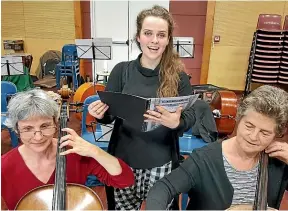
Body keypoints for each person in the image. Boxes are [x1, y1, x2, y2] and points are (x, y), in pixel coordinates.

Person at [88, 5, 196, 210]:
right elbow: (109, 115)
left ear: (168, 39)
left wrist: (177, 122)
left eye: (161, 35)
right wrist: (100, 114)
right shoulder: (122, 71)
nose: (154, 40)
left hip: (162, 162)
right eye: (148, 33)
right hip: (123, 161)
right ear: (138, 37)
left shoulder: (179, 76)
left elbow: (190, 115)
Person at [145, 85, 288, 210]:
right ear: (239, 118)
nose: (254, 136)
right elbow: (163, 188)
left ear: (277, 134)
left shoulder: (279, 162)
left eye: (265, 132)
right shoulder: (204, 159)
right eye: (249, 126)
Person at [1, 89, 135, 210]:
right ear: (17, 130)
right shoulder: (4, 166)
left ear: (55, 123)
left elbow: (126, 180)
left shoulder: (74, 153)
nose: (38, 137)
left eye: (45, 126)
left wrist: (94, 150)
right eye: (28, 129)